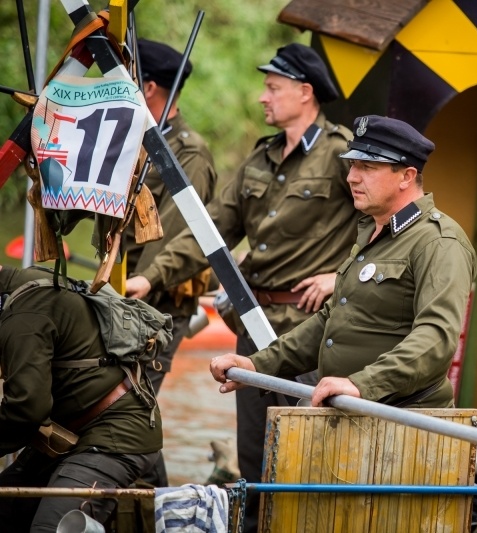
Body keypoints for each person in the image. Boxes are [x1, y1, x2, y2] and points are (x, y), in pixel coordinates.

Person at [125, 43, 358, 531]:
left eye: (273, 89)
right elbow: (208, 229)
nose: (261, 98)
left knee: (310, 454)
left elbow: (382, 222)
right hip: (253, 326)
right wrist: (152, 275)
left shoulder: (342, 154)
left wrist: (340, 276)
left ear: (305, 92)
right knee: (254, 456)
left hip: (311, 329)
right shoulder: (261, 157)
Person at [210, 115, 477, 412]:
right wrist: (257, 364)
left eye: (368, 167)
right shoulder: (374, 232)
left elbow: (435, 339)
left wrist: (362, 384)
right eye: (352, 165)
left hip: (403, 420)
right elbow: (330, 320)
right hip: (354, 411)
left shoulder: (439, 242)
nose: (352, 177)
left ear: (406, 176)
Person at [0, 265, 164, 532]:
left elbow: (26, 410)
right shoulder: (23, 283)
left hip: (115, 438)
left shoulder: (23, 312)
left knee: (52, 528)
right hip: (68, 434)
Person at [126, 38, 218, 396]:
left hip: (154, 302)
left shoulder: (187, 153)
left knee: (131, 405)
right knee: (123, 410)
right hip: (121, 291)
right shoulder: (132, 141)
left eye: (128, 78)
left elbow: (171, 231)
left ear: (148, 87)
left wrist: (138, 290)